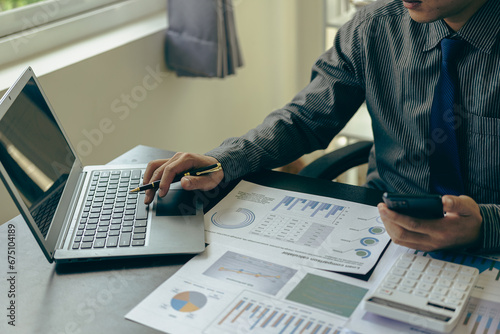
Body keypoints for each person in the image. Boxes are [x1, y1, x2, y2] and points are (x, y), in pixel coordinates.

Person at [143, 0, 500, 253]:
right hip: (385, 229)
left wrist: (485, 226)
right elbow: (304, 118)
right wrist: (223, 160)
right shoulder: (375, 27)